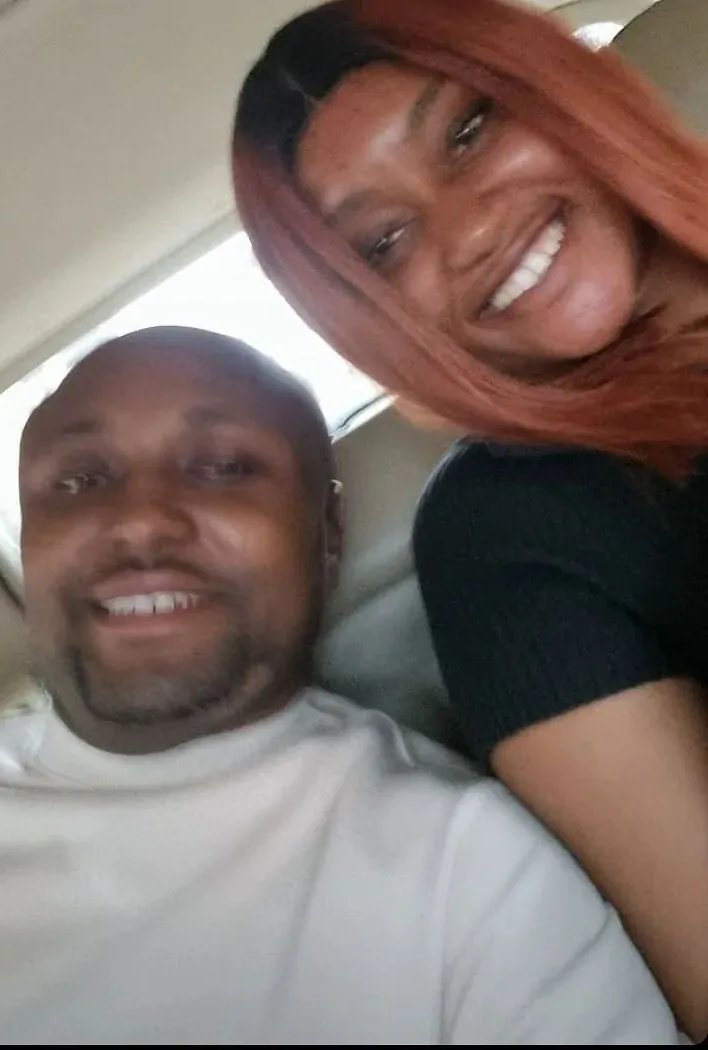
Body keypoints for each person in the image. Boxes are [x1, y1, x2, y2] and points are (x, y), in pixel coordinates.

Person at [0, 327, 680, 1044]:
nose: (139, 522)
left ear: (327, 534)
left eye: (224, 467)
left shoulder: (467, 873)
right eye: (79, 480)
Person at [231, 0, 708, 1039]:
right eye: (384, 242)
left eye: (469, 130)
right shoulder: (510, 530)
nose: (473, 229)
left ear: (562, 85)